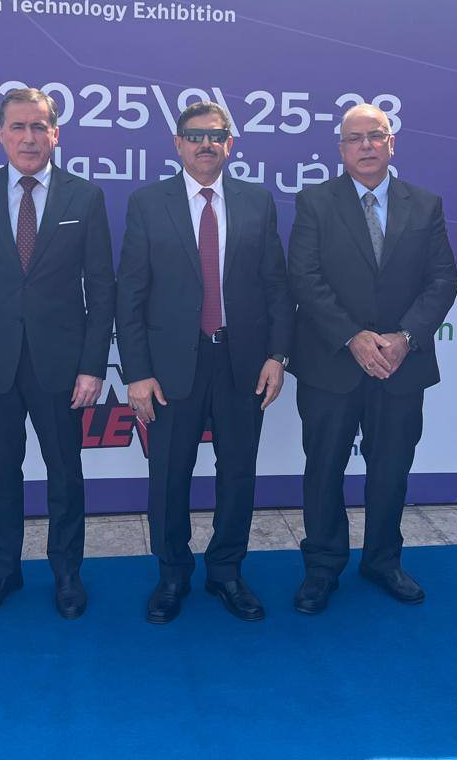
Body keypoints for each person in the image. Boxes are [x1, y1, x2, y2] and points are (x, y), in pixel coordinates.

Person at [0, 88, 115, 621]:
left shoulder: (85, 197)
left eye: (39, 127)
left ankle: (67, 572)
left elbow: (101, 289)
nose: (29, 137)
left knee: (65, 472)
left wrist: (92, 366)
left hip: (60, 364)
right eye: (18, 126)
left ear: (55, 134)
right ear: (1, 134)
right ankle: (2, 570)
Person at [116, 101, 293, 623]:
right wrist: (137, 372)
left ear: (230, 145)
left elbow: (276, 287)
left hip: (243, 363)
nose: (206, 144)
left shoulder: (257, 202)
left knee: (238, 474)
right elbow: (131, 294)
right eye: (195, 136)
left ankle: (226, 571)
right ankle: (172, 574)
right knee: (169, 476)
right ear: (177, 144)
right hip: (172, 367)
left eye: (216, 135)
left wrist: (277, 355)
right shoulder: (148, 203)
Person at [287, 103, 457, 614]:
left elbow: (443, 279)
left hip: (400, 366)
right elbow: (304, 278)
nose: (366, 145)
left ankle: (383, 560)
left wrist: (404, 338)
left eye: (375, 136)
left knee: (391, 469)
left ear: (391, 143)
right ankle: (322, 567)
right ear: (341, 148)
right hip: (331, 364)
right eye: (355, 138)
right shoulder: (314, 202)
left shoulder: (424, 205)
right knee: (324, 469)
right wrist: (353, 337)